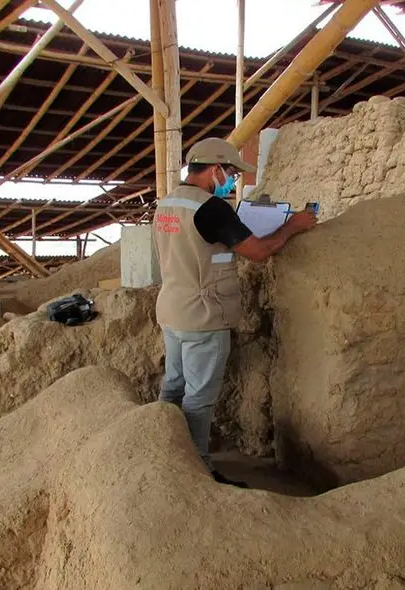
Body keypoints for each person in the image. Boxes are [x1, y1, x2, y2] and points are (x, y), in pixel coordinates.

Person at [152, 137, 318, 487]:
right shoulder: (211, 208)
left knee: (173, 389)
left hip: (172, 312)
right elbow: (258, 252)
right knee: (198, 400)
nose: (232, 180)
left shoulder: (167, 203)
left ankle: (160, 456)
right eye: (229, 173)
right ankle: (198, 473)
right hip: (202, 318)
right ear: (214, 170)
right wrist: (295, 226)